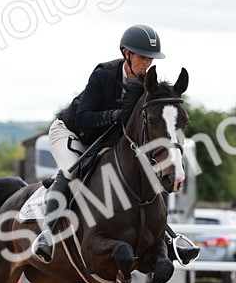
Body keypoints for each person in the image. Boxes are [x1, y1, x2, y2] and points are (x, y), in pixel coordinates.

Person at [32, 24, 199, 265]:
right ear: (126, 54)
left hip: (106, 138)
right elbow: (82, 117)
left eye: (150, 59)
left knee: (141, 176)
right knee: (72, 170)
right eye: (142, 57)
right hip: (72, 131)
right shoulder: (103, 75)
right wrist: (113, 116)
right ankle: (47, 234)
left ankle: (168, 238)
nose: (146, 64)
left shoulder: (145, 84)